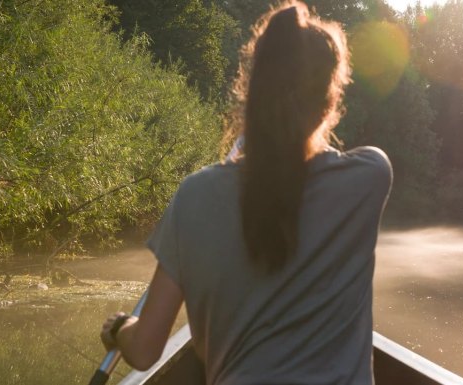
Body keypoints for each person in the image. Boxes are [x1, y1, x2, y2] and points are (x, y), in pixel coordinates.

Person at [99, 1, 392, 384]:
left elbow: (145, 350)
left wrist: (120, 328)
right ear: (331, 103)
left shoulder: (195, 196)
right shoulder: (368, 177)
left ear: (251, 89)